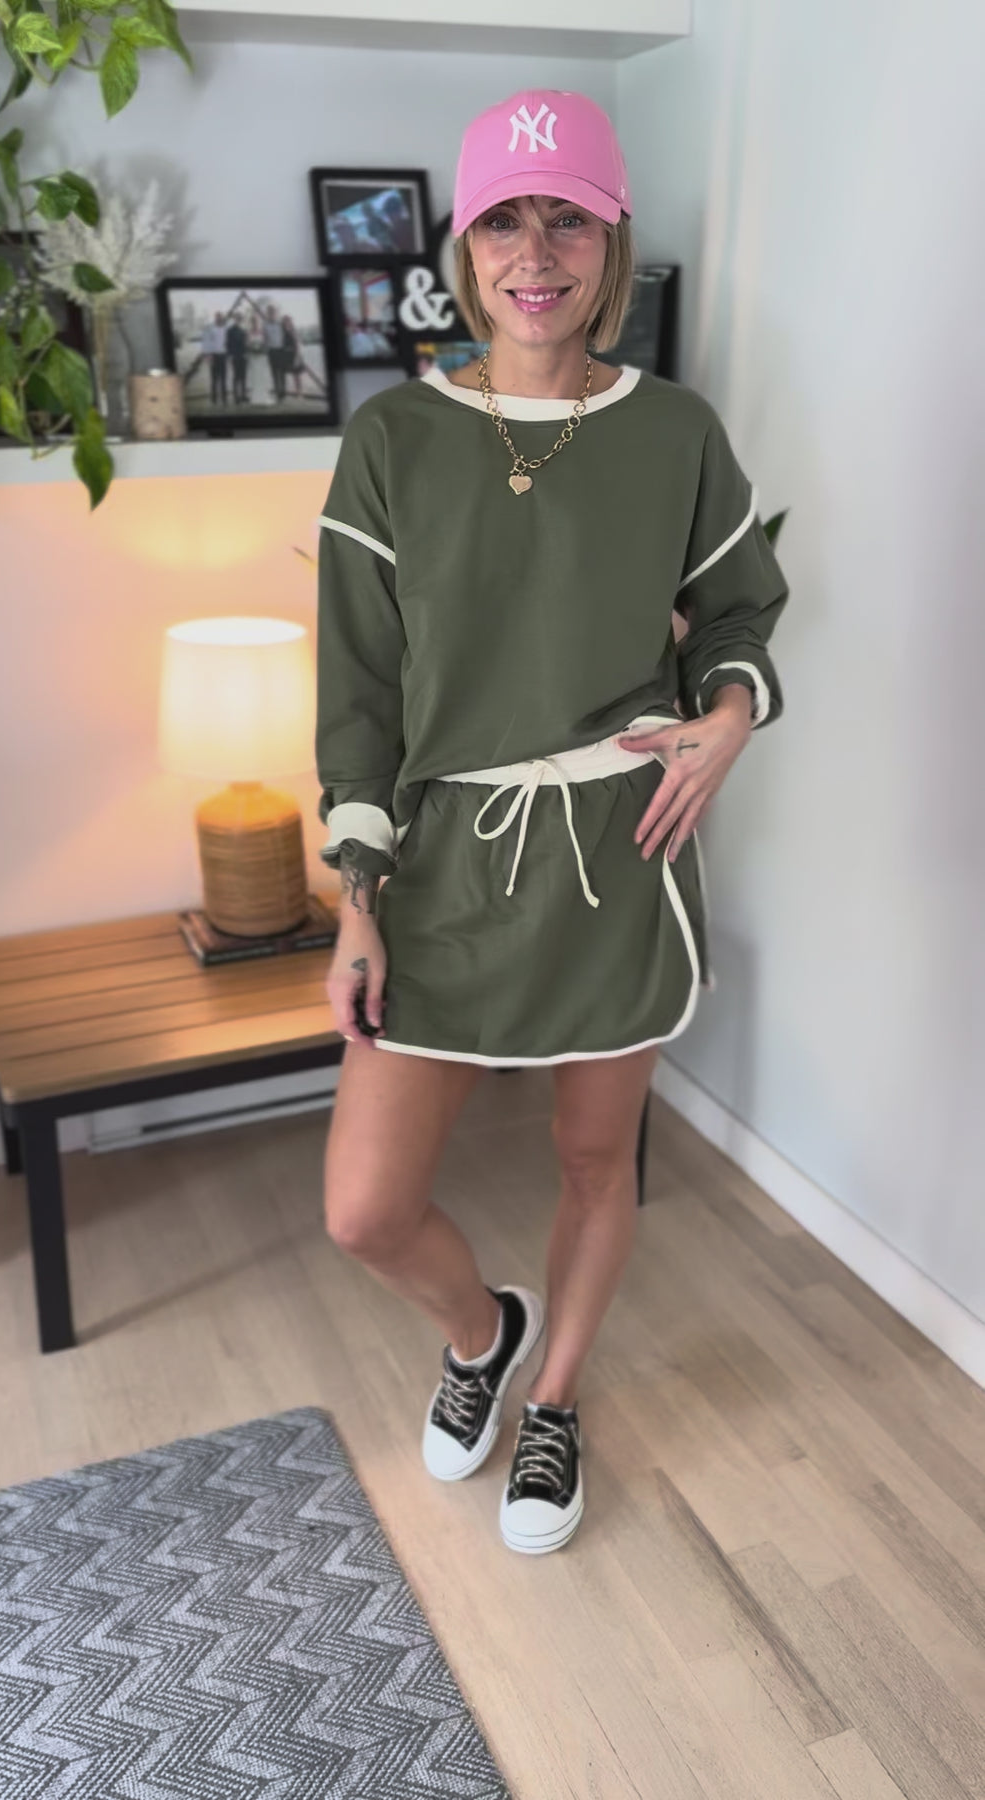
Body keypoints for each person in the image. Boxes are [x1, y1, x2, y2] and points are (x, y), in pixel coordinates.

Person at [314, 88, 789, 1556]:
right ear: (465, 247)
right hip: (443, 871)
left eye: (567, 220)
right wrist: (356, 896)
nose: (536, 255)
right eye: (504, 223)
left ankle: (557, 1399)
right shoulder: (394, 436)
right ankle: (484, 1334)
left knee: (597, 1162)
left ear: (611, 241)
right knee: (365, 1209)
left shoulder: (673, 432)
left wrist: (726, 716)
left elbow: (739, 609)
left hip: (616, 854)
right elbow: (360, 687)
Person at [262, 304, 286, 402]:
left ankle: (283, 392)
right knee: (274, 373)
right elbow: (265, 339)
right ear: (267, 313)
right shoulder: (265, 325)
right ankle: (277, 393)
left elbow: (285, 336)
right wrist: (264, 349)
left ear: (275, 313)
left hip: (281, 350)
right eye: (269, 312)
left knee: (282, 372)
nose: (271, 314)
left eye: (272, 312)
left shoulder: (280, 324)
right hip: (271, 351)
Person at [225, 315, 248, 403]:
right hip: (235, 356)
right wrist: (230, 355)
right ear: (235, 320)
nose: (239, 320)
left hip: (243, 356)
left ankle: (243, 395)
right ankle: (236, 397)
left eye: (240, 319)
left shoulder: (243, 330)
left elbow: (245, 343)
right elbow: (228, 344)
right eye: (237, 319)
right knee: (236, 377)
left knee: (243, 376)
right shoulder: (230, 330)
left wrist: (246, 353)